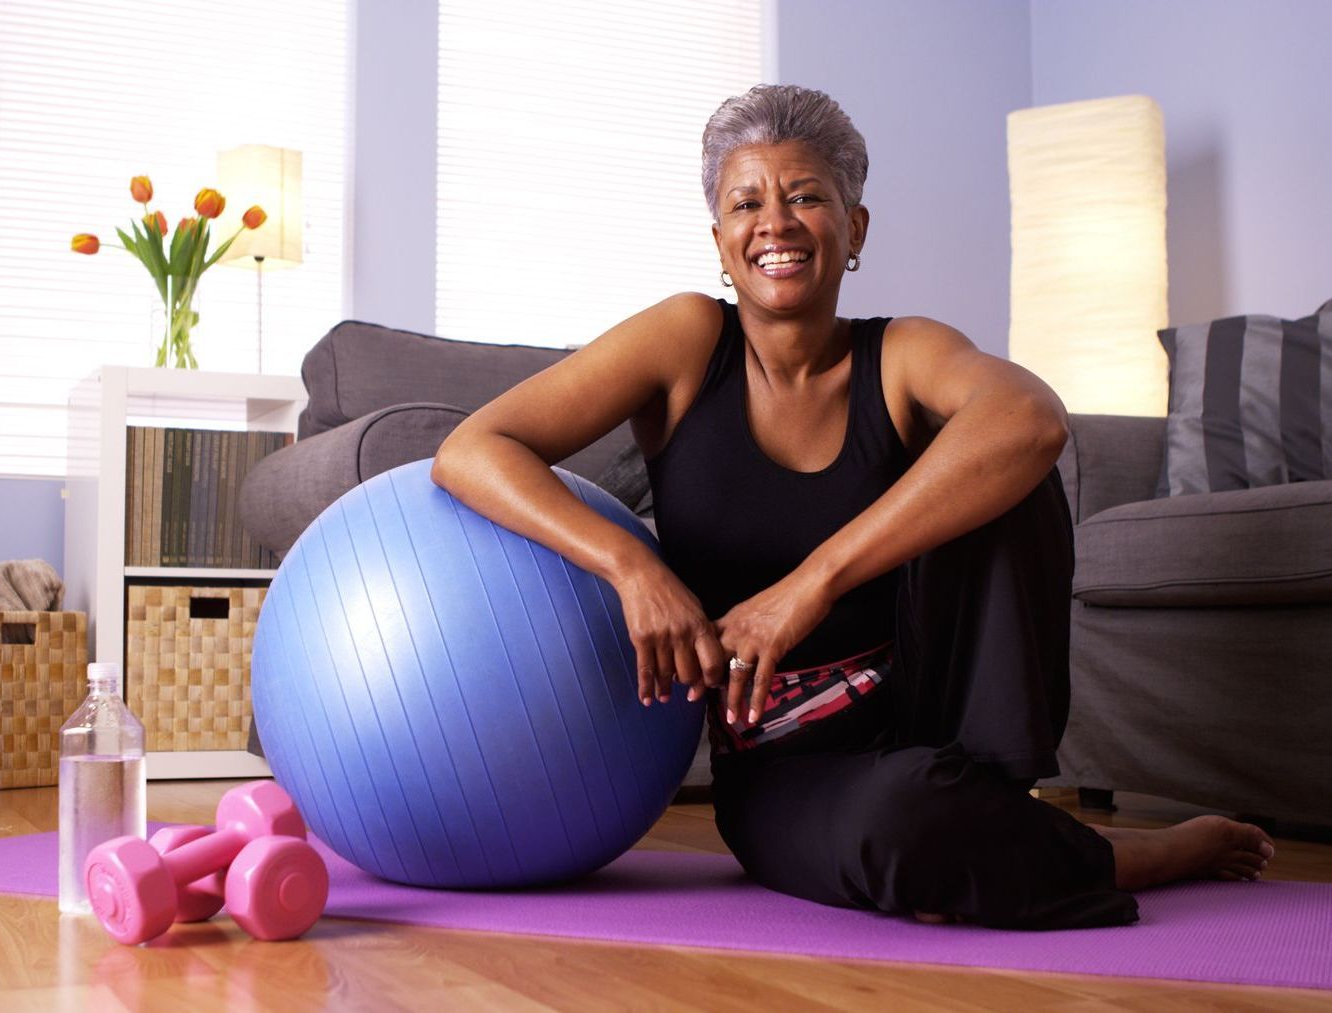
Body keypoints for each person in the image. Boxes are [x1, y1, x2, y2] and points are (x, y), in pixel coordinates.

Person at [431, 84, 1276, 929]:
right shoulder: (686, 340)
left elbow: (1031, 419)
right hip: (784, 760)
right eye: (746, 203)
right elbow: (473, 449)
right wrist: (632, 565)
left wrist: (812, 582)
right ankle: (1127, 851)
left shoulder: (902, 352)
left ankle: (1002, 799)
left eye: (806, 196)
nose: (776, 223)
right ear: (720, 243)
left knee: (1002, 456)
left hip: (934, 709)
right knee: (905, 830)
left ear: (855, 228)